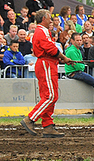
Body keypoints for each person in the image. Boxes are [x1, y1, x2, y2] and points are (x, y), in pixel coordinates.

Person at [21, 10, 72, 138]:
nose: (51, 21)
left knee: (49, 96)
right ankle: (30, 119)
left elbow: (49, 49)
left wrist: (60, 57)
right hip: (47, 64)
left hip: (47, 63)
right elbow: (50, 48)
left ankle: (48, 125)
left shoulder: (40, 31)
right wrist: (63, 57)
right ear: (44, 18)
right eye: (49, 18)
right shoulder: (42, 31)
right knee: (51, 96)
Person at [64, 32, 94, 117]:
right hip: (75, 73)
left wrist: (80, 64)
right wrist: (81, 65)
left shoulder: (78, 50)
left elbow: (80, 64)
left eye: (80, 40)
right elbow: (79, 67)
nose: (80, 42)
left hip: (75, 72)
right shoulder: (72, 51)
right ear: (72, 41)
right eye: (77, 40)